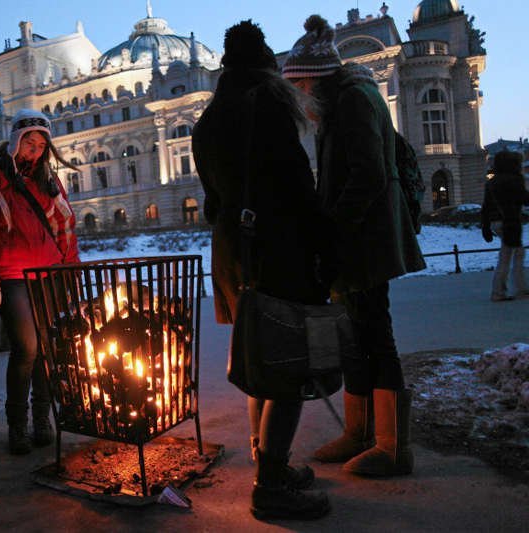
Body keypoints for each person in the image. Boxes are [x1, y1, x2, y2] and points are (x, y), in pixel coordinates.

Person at [192, 20, 334, 520]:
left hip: (231, 251)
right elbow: (296, 181)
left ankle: (268, 463)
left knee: (259, 360)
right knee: (288, 366)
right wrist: (322, 241)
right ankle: (271, 484)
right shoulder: (268, 104)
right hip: (278, 246)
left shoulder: (207, 120)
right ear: (265, 63)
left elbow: (211, 201)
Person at [282, 15, 426, 477]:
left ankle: (392, 446)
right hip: (354, 239)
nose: (300, 97)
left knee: (374, 335)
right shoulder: (340, 101)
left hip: (366, 239)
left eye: (300, 85)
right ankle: (359, 432)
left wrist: (332, 230)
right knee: (354, 338)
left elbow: (366, 176)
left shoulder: (356, 100)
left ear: (316, 78)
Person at [0, 109, 80, 455]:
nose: (35, 150)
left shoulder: (48, 180)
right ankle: (17, 423)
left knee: (47, 348)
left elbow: (65, 226)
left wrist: (70, 269)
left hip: (50, 273)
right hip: (13, 275)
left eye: (41, 145)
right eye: (29, 142)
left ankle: (42, 419)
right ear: (15, 140)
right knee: (26, 348)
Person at [481, 150, 529, 301]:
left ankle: (500, 290)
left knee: (507, 254)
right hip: (510, 221)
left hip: (496, 222)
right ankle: (516, 290)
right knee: (515, 255)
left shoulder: (492, 182)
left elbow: (485, 207)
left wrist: (486, 228)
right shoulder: (515, 179)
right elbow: (524, 198)